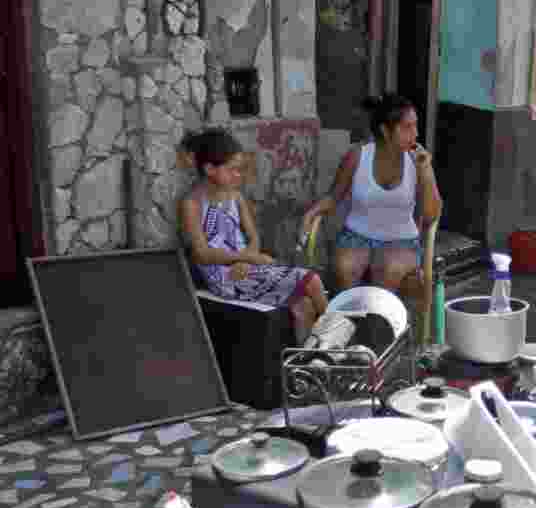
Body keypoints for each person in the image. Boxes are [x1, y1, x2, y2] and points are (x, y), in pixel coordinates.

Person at [177, 128, 328, 344]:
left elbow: (253, 237)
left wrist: (248, 258)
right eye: (233, 170)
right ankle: (337, 344)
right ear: (210, 169)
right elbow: (202, 254)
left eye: (240, 170)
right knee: (311, 280)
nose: (239, 176)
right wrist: (247, 258)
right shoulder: (192, 204)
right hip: (224, 278)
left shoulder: (235, 197)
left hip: (248, 268)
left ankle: (306, 364)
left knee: (304, 305)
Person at [303, 94, 442, 292]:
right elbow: (334, 197)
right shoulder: (357, 156)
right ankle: (350, 321)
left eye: (415, 126)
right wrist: (311, 213)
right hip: (356, 236)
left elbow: (431, 214)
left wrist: (426, 171)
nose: (416, 134)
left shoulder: (417, 160)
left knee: (388, 269)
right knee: (345, 268)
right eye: (407, 127)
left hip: (402, 241)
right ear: (386, 131)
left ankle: (381, 322)